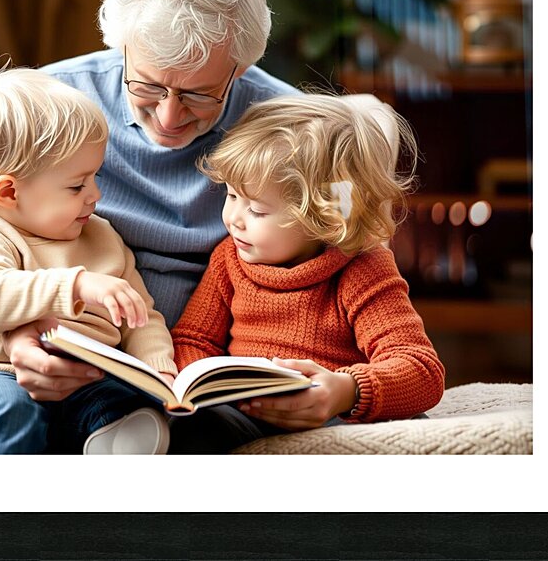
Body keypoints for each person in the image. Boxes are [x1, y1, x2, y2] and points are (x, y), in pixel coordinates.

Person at [1, 0, 301, 402]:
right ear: (122, 47)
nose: (168, 117)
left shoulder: (292, 125)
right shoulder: (49, 105)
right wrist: (16, 334)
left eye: (200, 94)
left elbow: (351, 256)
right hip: (81, 363)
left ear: (240, 68)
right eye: (148, 85)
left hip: (225, 378)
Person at [0, 68, 178, 454]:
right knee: (7, 409)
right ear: (9, 192)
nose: (96, 194)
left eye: (94, 177)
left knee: (129, 405)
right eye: (77, 185)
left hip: (82, 386)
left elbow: (142, 315)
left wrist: (157, 367)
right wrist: (75, 285)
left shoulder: (102, 236)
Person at [167, 93, 446, 453]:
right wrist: (208, 386)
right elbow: (193, 340)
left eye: (257, 210)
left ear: (324, 217)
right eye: (232, 196)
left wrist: (345, 392)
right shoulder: (229, 259)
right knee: (194, 430)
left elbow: (422, 371)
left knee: (404, 434)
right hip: (243, 414)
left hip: (330, 416)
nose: (233, 218)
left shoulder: (363, 267)